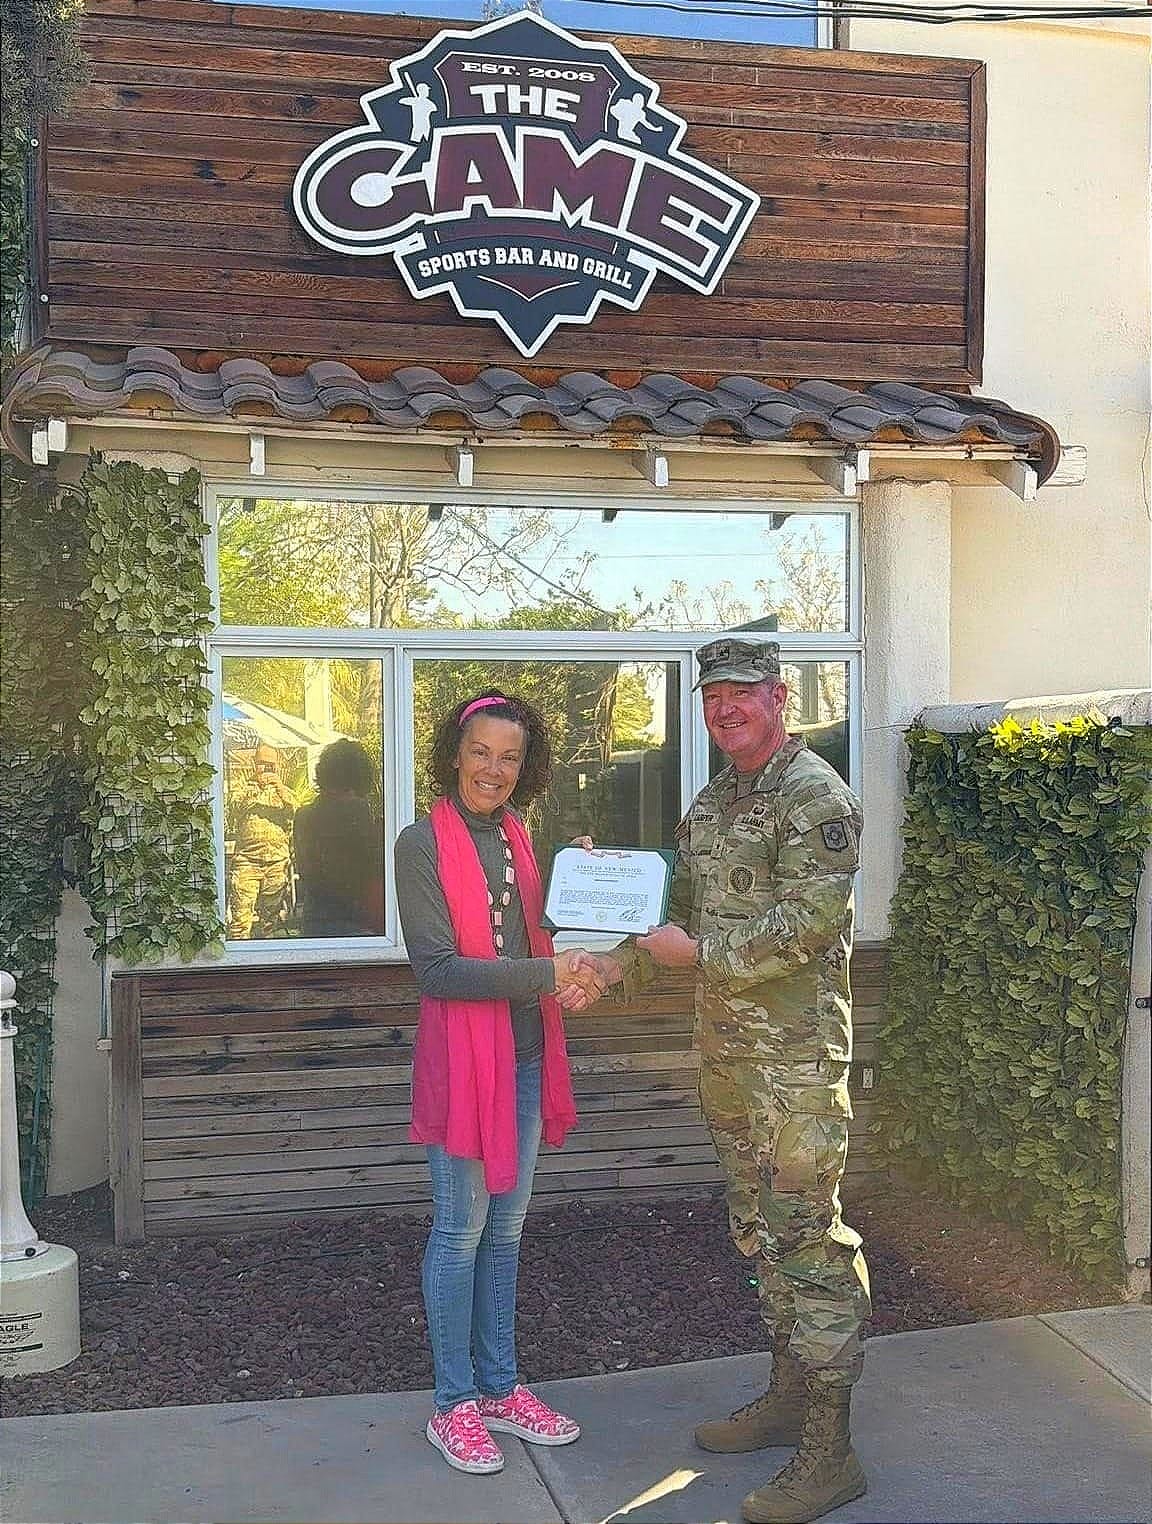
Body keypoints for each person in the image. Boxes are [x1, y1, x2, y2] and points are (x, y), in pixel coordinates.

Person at [592, 639, 870, 1524]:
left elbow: (812, 923)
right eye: (713, 696)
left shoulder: (815, 797)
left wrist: (698, 953)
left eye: (742, 693)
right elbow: (670, 923)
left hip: (794, 1071)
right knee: (760, 1236)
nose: (725, 709)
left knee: (810, 1243)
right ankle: (789, 1396)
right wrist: (599, 967)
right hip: (729, 1066)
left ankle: (831, 1451)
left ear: (779, 697)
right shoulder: (711, 804)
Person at [394, 689, 606, 1476]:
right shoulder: (420, 843)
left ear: (526, 766)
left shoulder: (520, 836)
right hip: (462, 1065)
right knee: (460, 1231)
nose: (494, 768)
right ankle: (452, 1404)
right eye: (481, 751)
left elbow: (534, 929)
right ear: (455, 752)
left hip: (522, 1058)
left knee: (506, 1230)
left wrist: (586, 881)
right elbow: (440, 969)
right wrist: (550, 970)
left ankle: (498, 1387)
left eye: (509, 757)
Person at [293, 739, 385, 937]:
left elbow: (306, 870)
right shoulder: (359, 813)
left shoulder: (303, 816)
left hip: (315, 920)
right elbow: (373, 867)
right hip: (360, 922)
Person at [227, 742, 296, 939]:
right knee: (240, 925)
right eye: (261, 763)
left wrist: (278, 787)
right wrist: (259, 789)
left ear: (277, 766)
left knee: (270, 925)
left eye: (270, 765)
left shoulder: (285, 792)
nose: (265, 768)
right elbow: (234, 807)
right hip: (246, 863)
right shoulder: (242, 789)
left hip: (276, 864)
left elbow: (297, 811)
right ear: (253, 763)